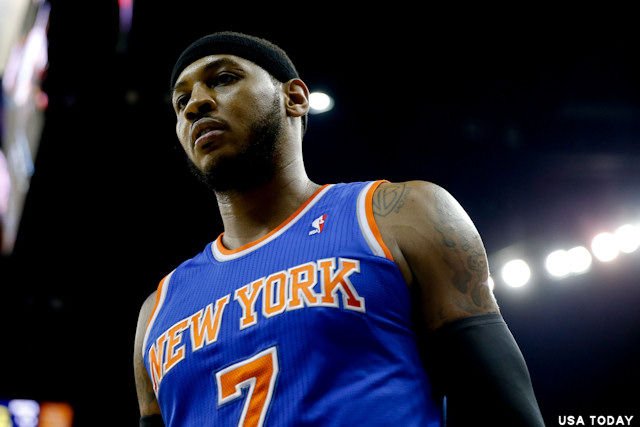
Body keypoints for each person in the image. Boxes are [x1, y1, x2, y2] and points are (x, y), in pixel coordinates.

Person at [133, 31, 545, 426]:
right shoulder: (158, 311)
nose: (195, 104)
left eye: (223, 79)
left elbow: (501, 409)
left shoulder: (399, 215)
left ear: (295, 98)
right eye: (181, 101)